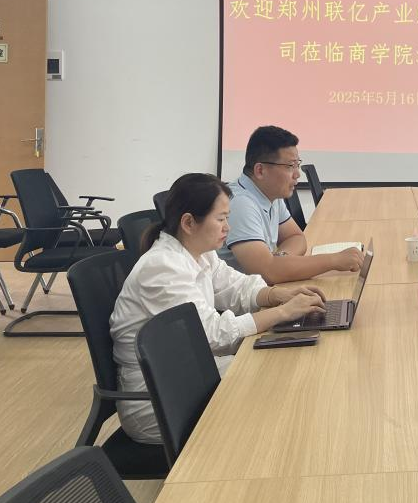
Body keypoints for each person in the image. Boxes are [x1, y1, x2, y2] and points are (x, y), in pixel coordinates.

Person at [110, 173, 329, 444]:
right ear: (189, 223)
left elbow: (235, 287)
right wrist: (282, 312)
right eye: (221, 219)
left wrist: (276, 295)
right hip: (159, 400)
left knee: (282, 369)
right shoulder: (162, 267)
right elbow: (210, 335)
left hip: (189, 371)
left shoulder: (199, 252)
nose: (228, 227)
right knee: (277, 382)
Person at [224, 125, 364, 282]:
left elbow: (296, 237)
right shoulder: (240, 204)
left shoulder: (269, 193)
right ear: (260, 170)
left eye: (297, 165)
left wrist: (280, 260)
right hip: (240, 297)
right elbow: (267, 273)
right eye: (290, 166)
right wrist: (334, 260)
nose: (297, 174)